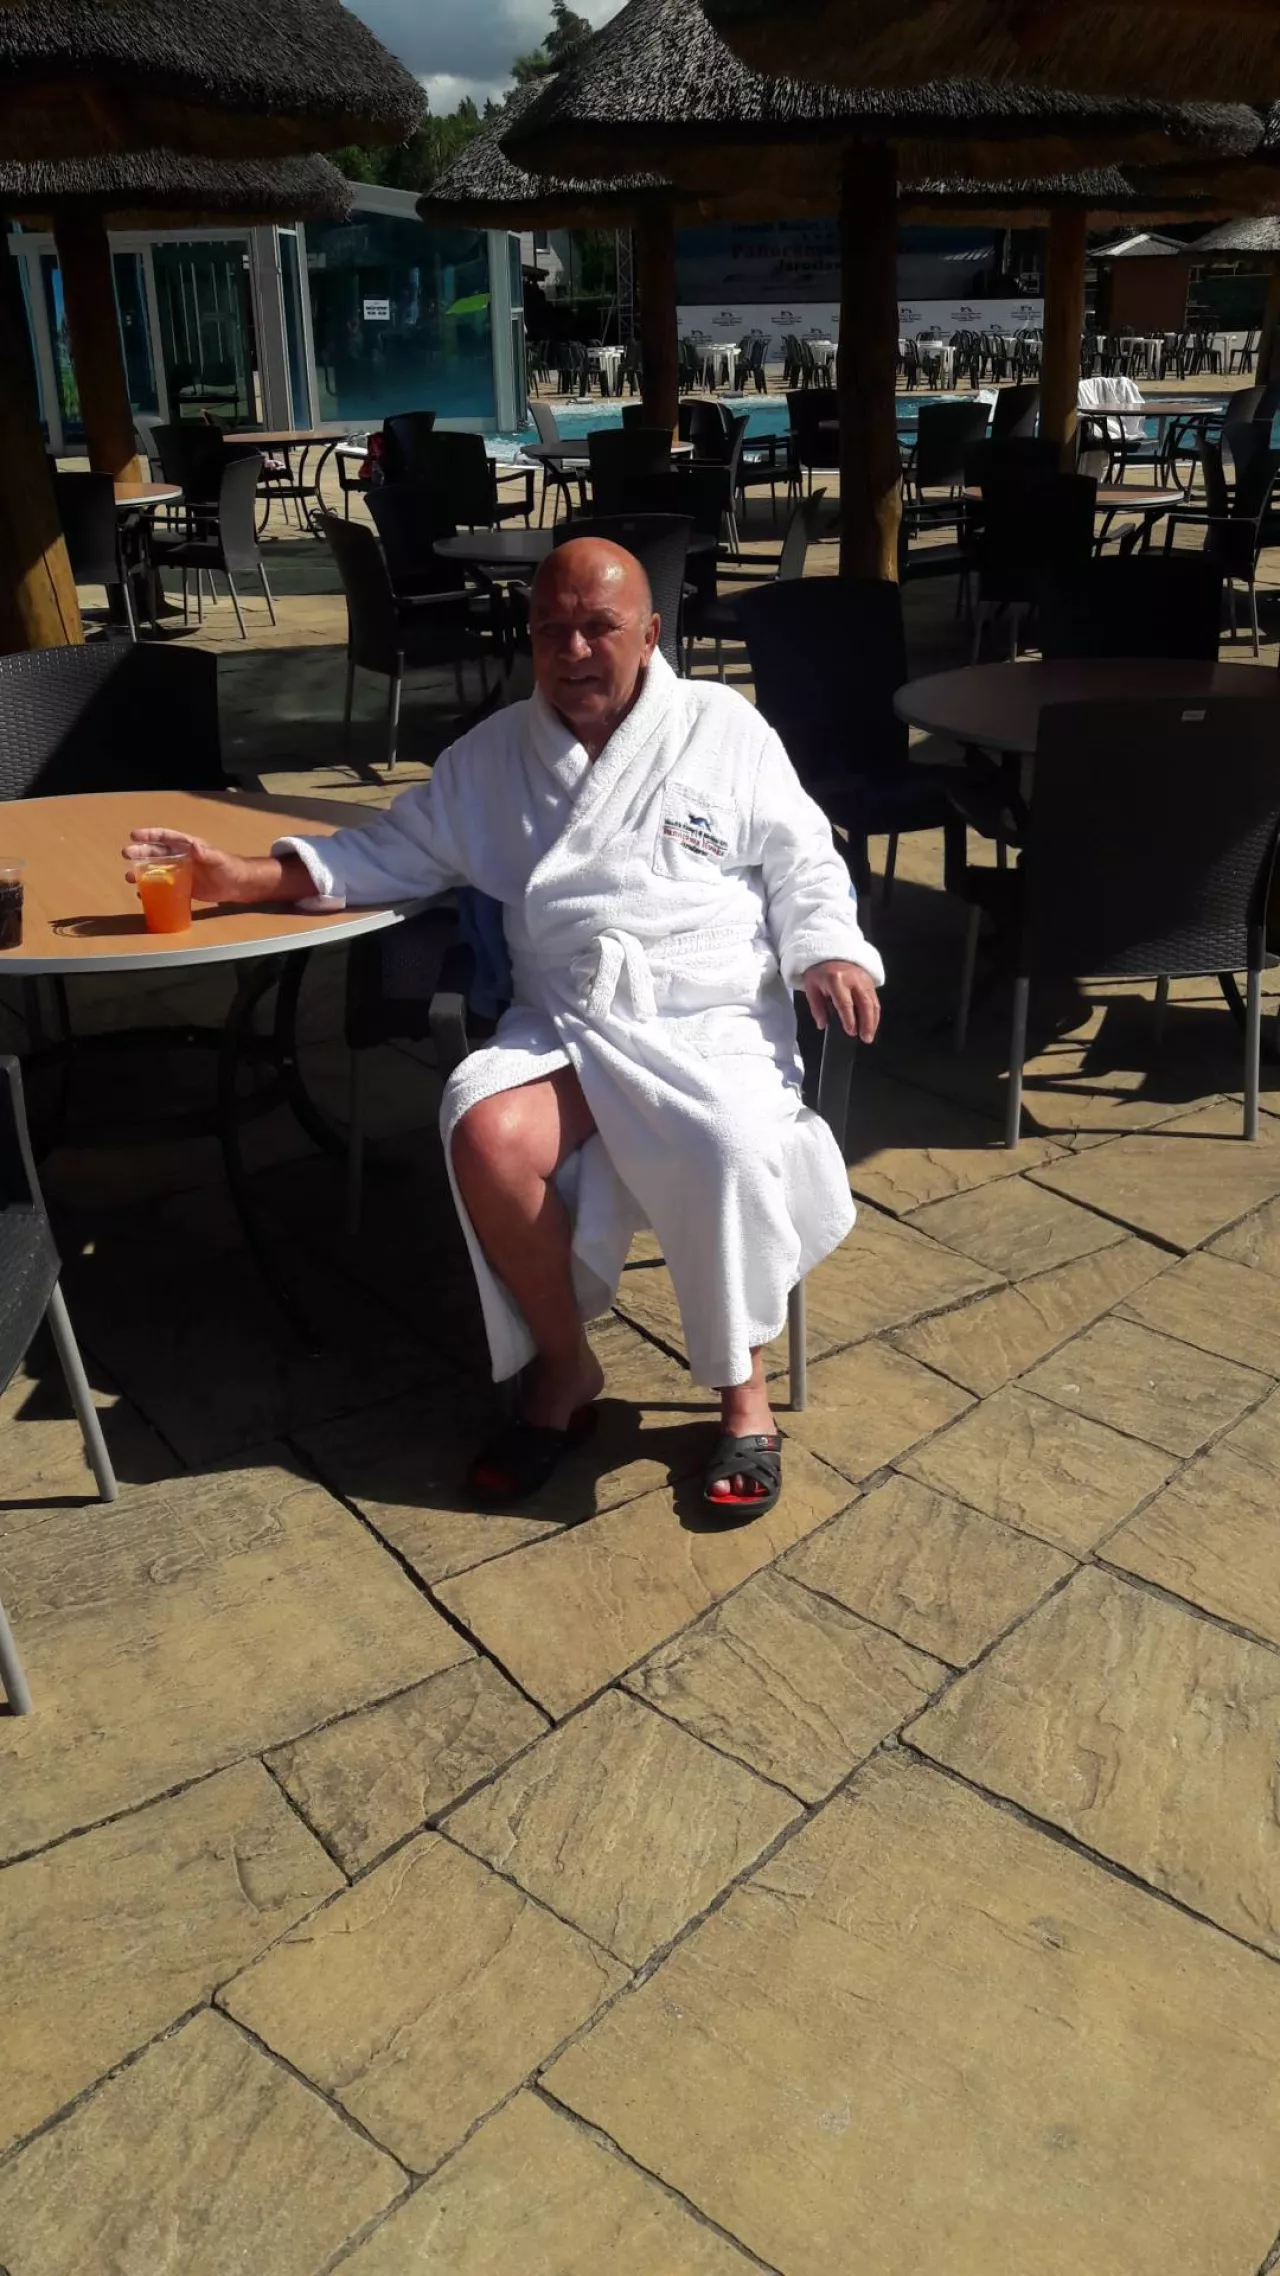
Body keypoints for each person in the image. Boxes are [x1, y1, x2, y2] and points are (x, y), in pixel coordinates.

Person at [123, 538, 883, 1516]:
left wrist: (827, 949)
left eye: (599, 626)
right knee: (483, 1129)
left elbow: (804, 859)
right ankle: (565, 1367)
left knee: (728, 1141)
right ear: (529, 636)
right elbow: (386, 850)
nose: (574, 650)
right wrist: (242, 876)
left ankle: (741, 1392)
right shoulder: (491, 759)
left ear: (651, 633)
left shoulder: (721, 728)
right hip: (573, 1015)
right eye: (551, 629)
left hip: (710, 1013)